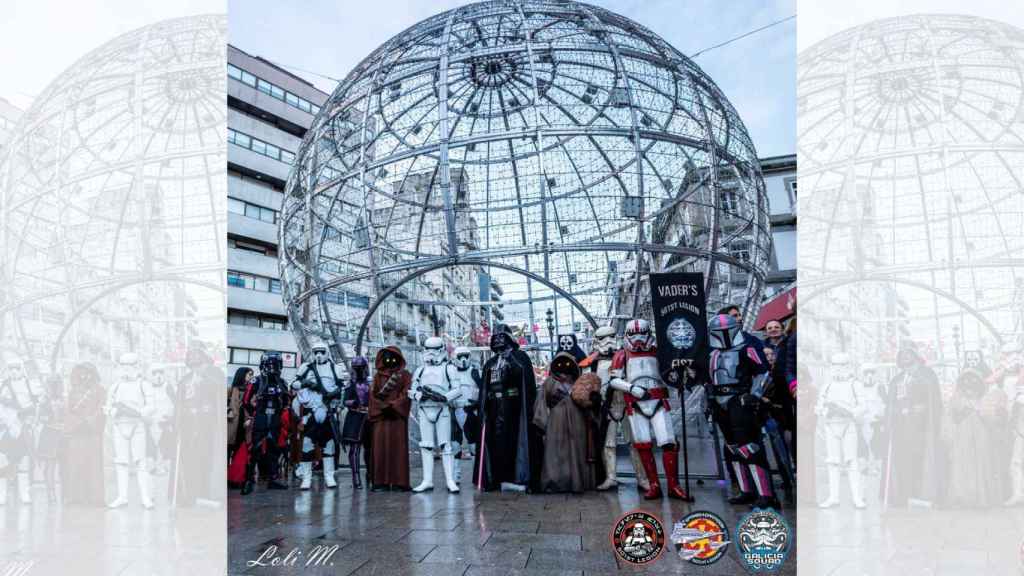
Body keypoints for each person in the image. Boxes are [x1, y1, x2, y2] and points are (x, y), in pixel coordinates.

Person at [608, 319, 690, 501]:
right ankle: (654, 484)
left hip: (658, 401)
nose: (637, 338)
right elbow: (614, 380)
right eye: (633, 334)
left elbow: (671, 373)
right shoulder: (622, 355)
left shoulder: (659, 352)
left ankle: (673, 485)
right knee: (643, 444)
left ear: (648, 333)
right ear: (627, 335)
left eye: (641, 333)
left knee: (668, 442)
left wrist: (679, 375)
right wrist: (631, 388)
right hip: (635, 404)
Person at [707, 314, 778, 508]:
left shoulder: (746, 348)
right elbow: (709, 380)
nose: (722, 336)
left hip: (740, 400)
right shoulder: (712, 353)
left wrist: (754, 395)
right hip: (720, 403)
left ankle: (766, 494)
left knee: (750, 447)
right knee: (732, 448)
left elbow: (763, 374)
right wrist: (709, 402)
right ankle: (746, 491)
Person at [474, 324, 543, 492]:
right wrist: (482, 410)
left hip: (515, 408)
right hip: (494, 409)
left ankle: (518, 478)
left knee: (515, 442)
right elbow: (485, 388)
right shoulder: (490, 363)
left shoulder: (520, 357)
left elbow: (523, 378)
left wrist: (510, 359)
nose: (498, 340)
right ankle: (496, 478)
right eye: (495, 337)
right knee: (496, 445)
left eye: (502, 337)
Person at [582, 325, 647, 493]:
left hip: (627, 404)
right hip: (606, 406)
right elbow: (586, 384)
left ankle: (642, 478)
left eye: (611, 336)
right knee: (608, 444)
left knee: (635, 442)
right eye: (603, 338)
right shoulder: (592, 363)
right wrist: (592, 396)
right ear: (597, 341)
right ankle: (611, 477)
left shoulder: (626, 356)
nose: (608, 341)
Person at [880, 343, 944, 509]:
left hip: (922, 428)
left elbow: (934, 400)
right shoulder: (897, 379)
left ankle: (921, 494)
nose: (905, 358)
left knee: (920, 459)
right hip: (902, 428)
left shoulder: (927, 375)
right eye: (902, 355)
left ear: (915, 356)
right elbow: (891, 403)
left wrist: (922, 408)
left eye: (909, 354)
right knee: (903, 461)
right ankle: (904, 494)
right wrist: (892, 413)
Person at [944, 369, 1005, 507]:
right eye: (966, 381)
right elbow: (951, 418)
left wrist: (986, 416)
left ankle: (980, 496)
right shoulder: (956, 399)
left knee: (981, 464)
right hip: (962, 438)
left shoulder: (985, 399)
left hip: (981, 437)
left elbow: (991, 420)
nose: (969, 385)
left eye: (973, 381)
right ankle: (962, 496)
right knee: (963, 465)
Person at [409, 337, 462, 493]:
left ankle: (450, 480)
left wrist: (444, 397)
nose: (430, 353)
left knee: (446, 445)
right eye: (428, 349)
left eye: (434, 349)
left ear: (441, 350)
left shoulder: (449, 368)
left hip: (442, 409)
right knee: (426, 445)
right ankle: (427, 480)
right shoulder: (420, 370)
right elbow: (412, 390)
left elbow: (457, 389)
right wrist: (420, 396)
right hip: (425, 410)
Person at [291, 339, 345, 490]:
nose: (319, 355)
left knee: (329, 445)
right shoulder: (306, 368)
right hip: (311, 411)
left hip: (328, 410)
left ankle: (329, 475)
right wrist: (308, 384)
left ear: (327, 352)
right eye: (316, 352)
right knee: (307, 443)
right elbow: (294, 384)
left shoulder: (335, 368)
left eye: (322, 352)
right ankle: (307, 477)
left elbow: (342, 388)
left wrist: (334, 395)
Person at [540, 352, 598, 493]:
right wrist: (542, 423)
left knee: (577, 450)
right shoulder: (549, 382)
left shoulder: (579, 383)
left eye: (567, 364)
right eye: (560, 364)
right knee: (555, 454)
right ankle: (555, 482)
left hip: (577, 421)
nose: (563, 368)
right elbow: (541, 402)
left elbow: (587, 403)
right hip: (556, 423)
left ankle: (577, 482)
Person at [817, 353, 866, 509]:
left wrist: (849, 412)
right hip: (831, 426)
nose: (839, 368)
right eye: (835, 364)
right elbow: (819, 406)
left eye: (842, 364)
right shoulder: (827, 385)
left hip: (848, 425)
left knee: (852, 461)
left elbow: (863, 406)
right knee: (832, 462)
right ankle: (833, 497)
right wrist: (826, 411)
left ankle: (857, 497)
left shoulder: (855, 385)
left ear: (848, 366)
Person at [106, 353, 154, 509]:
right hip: (119, 426)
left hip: (137, 426)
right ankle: (122, 497)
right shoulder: (115, 386)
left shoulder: (144, 385)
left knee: (141, 462)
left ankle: (145, 497)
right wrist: (115, 411)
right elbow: (108, 406)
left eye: (130, 365)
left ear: (136, 367)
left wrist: (138, 413)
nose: (127, 369)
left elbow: (151, 406)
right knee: (121, 462)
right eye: (124, 365)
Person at [241, 352, 290, 495]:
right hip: (261, 416)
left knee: (274, 449)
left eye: (274, 365)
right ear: (263, 365)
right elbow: (246, 401)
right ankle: (248, 480)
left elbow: (287, 401)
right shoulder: (256, 381)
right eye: (269, 365)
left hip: (275, 417)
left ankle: (272, 479)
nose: (272, 368)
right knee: (254, 449)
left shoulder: (282, 382)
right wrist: (253, 413)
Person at [368, 346, 412, 491]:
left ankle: (400, 482)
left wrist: (393, 405)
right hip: (381, 418)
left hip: (397, 418)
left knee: (398, 451)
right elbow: (372, 395)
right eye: (387, 357)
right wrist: (383, 406)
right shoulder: (377, 377)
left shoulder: (405, 375)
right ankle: (381, 482)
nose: (390, 360)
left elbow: (407, 393)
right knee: (380, 450)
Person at [62, 363, 106, 506]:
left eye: (88, 373)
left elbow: (102, 408)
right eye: (81, 373)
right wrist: (76, 423)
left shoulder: (101, 391)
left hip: (93, 433)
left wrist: (90, 421)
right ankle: (75, 497)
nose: (84, 376)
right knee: (75, 465)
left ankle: (95, 498)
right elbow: (68, 411)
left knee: (94, 466)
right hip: (77, 433)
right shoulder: (73, 391)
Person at [0, 359, 40, 505]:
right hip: (6, 429)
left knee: (24, 460)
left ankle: (24, 494)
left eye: (16, 369)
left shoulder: (30, 385)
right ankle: (1, 494)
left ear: (21, 369)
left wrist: (30, 421)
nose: (14, 372)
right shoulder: (4, 386)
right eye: (11, 369)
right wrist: (7, 422)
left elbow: (36, 407)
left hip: (24, 428)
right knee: (2, 461)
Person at [989, 344, 1024, 505]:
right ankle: (1018, 492)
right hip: (1015, 414)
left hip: (1018, 414)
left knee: (1016, 459)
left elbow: (992, 379)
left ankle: (1018, 493)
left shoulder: (1015, 365)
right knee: (1016, 458)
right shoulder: (1011, 368)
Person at [450, 346, 481, 479]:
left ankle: (476, 475)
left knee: (473, 445)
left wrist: (477, 404)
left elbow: (484, 390)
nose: (463, 359)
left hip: (471, 410)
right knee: (455, 445)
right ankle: (455, 475)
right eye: (460, 356)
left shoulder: (475, 372)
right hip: (455, 409)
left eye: (466, 356)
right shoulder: (450, 372)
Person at [341, 356, 371, 489]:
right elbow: (345, 401)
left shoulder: (370, 383)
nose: (359, 371)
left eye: (361, 368)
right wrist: (354, 402)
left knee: (370, 449)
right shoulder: (350, 384)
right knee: (355, 450)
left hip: (369, 418)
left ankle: (371, 475)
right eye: (356, 368)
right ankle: (356, 478)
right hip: (355, 417)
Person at [36, 374, 64, 503]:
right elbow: (41, 418)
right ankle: (51, 493)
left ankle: (65, 492)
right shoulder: (44, 401)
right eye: (52, 384)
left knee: (64, 465)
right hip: (50, 434)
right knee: (50, 465)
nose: (55, 387)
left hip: (63, 434)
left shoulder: (65, 399)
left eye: (57, 384)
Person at [227, 367, 252, 464]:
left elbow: (252, 405)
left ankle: (235, 475)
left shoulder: (250, 390)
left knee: (240, 449)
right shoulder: (231, 389)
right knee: (228, 448)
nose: (251, 377)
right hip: (231, 422)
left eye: (251, 375)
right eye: (249, 374)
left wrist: (249, 418)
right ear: (242, 374)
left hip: (244, 422)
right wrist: (229, 410)